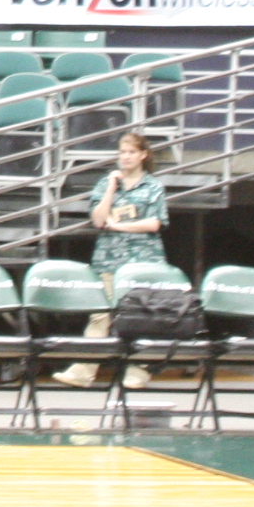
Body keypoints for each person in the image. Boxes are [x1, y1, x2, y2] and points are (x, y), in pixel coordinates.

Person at [54, 130, 169, 391]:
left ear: (142, 155)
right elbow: (98, 220)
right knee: (99, 316)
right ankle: (82, 372)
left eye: (131, 152)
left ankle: (137, 372)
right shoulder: (105, 183)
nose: (125, 157)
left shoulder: (153, 187)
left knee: (139, 317)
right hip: (108, 261)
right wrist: (110, 188)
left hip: (143, 263)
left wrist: (121, 227)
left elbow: (155, 223)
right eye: (122, 152)